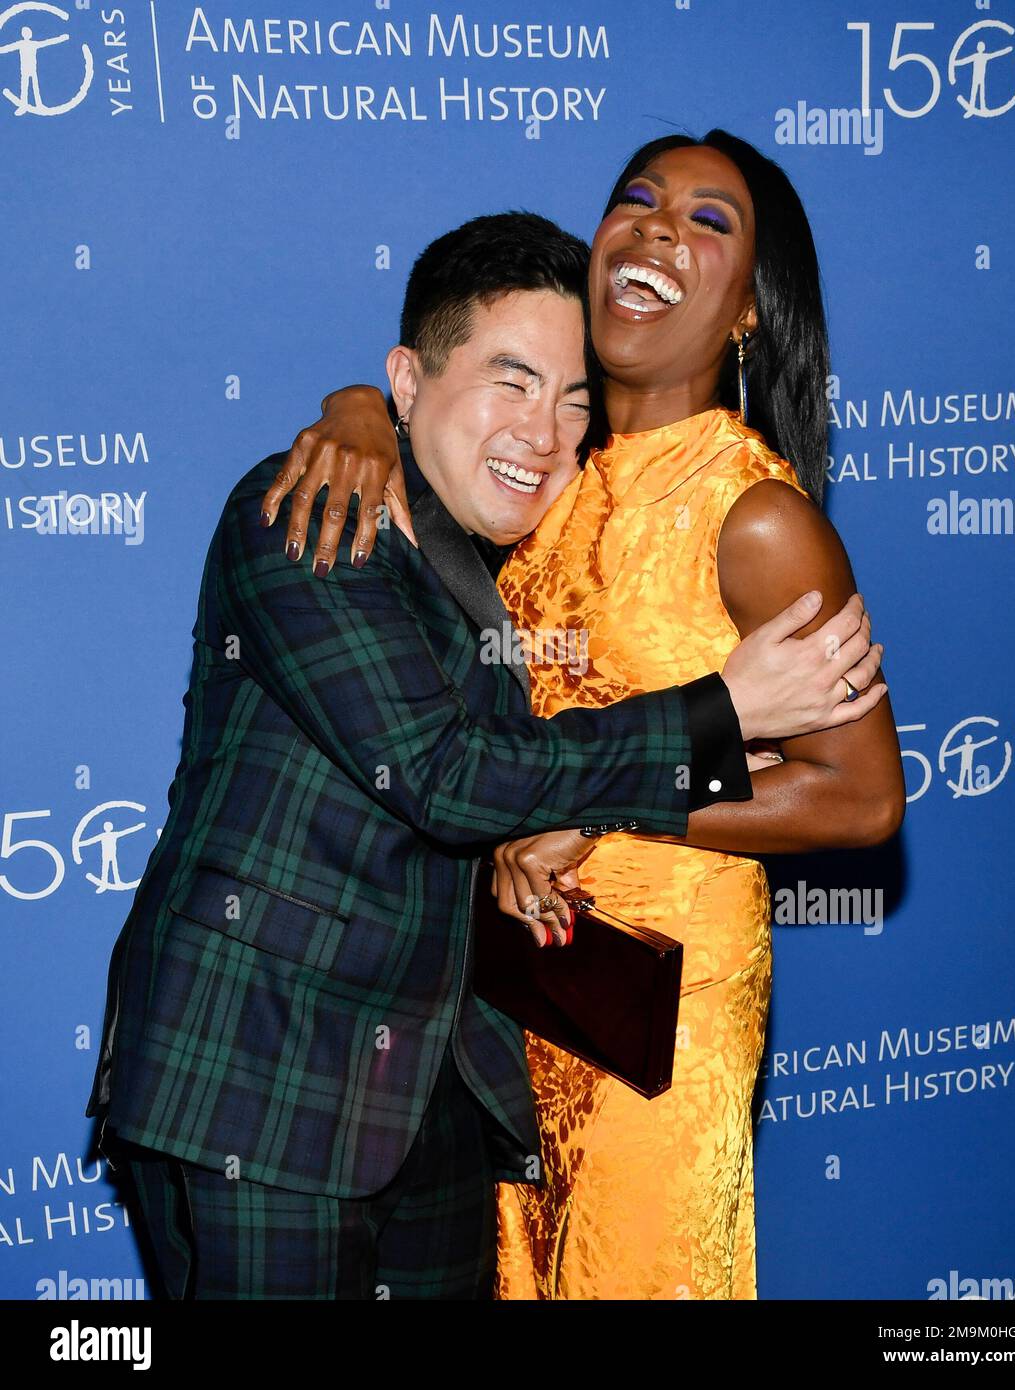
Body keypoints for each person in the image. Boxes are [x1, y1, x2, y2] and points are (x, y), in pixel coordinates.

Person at [86, 209, 885, 1302]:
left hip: (446, 1104)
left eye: (573, 400)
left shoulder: (521, 559)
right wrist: (723, 710)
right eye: (511, 381)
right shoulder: (308, 511)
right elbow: (444, 775)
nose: (545, 431)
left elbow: (537, 769)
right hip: (262, 1091)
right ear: (408, 382)